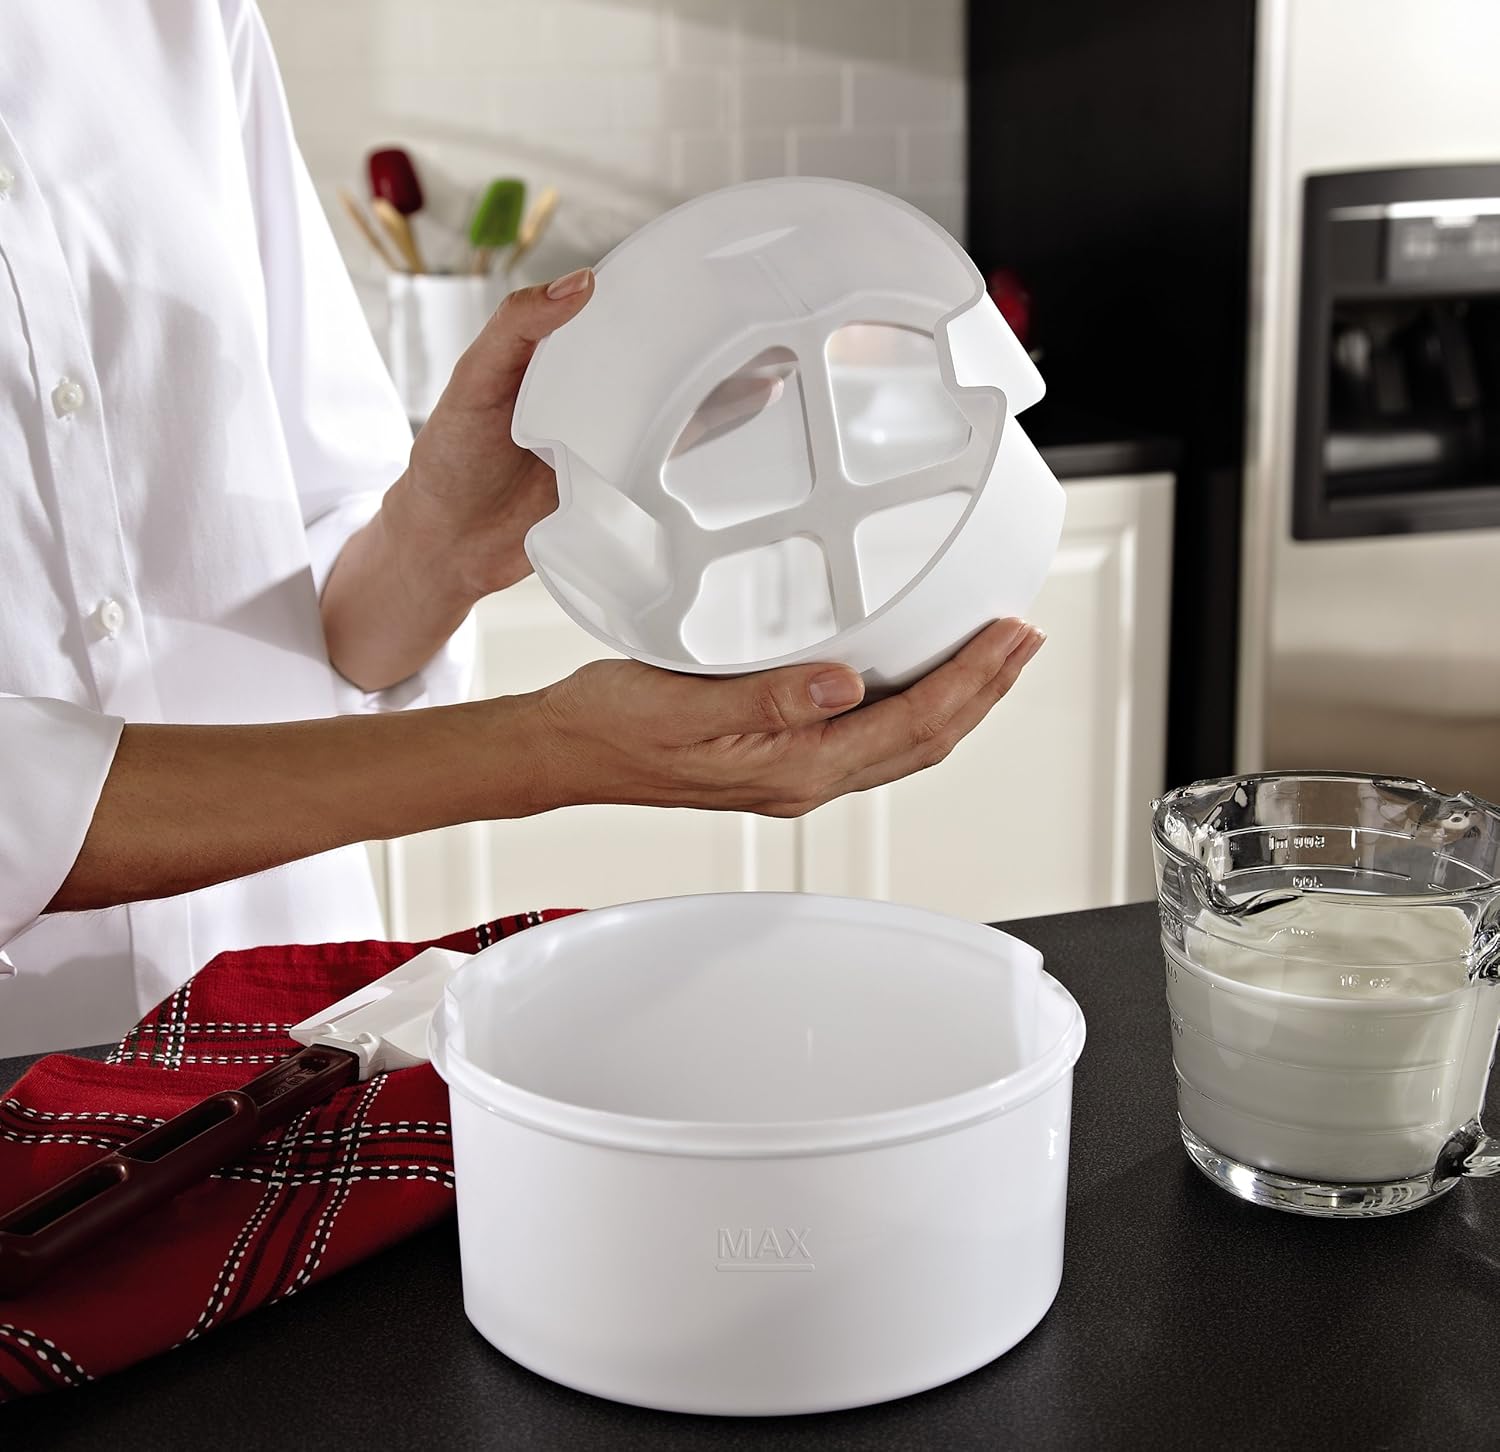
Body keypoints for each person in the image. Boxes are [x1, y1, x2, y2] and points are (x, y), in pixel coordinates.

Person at [0, 2, 1044, 1056]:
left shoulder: (167, 20)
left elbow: (320, 612)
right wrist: (549, 749)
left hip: (287, 1025)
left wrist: (439, 538)